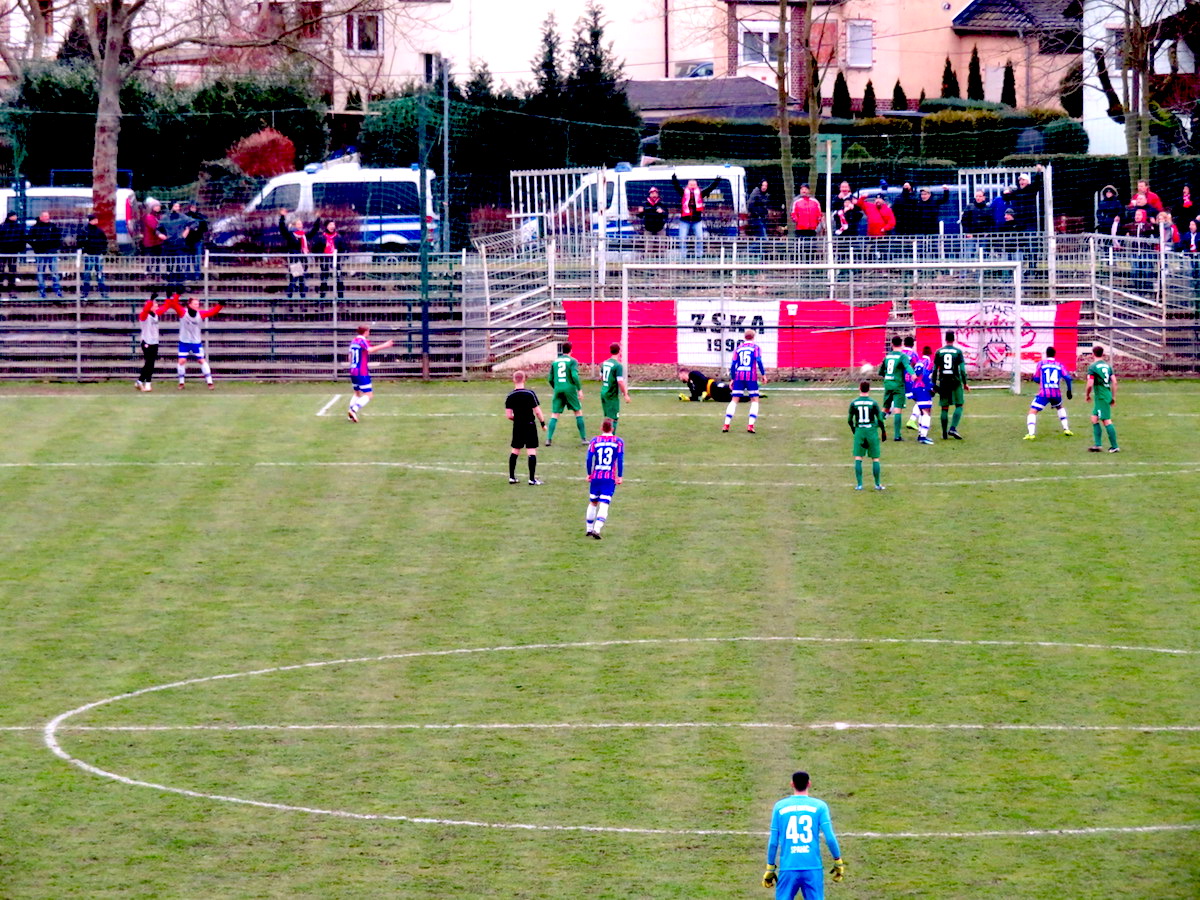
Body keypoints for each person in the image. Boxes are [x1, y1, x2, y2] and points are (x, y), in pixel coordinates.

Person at [763, 771, 845, 899]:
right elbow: (830, 838)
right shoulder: (820, 806)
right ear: (809, 784)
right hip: (812, 868)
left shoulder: (779, 807)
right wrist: (838, 861)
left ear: (792, 784)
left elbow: (773, 842)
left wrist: (770, 868)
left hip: (788, 867)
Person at [584, 418, 624, 539]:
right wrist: (620, 476)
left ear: (601, 428)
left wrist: (589, 473)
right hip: (609, 477)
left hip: (596, 476)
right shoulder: (618, 442)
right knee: (604, 504)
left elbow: (589, 459)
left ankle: (589, 529)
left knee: (593, 502)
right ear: (612, 428)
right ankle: (597, 529)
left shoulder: (595, 441)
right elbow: (620, 460)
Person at [504, 370, 547, 485]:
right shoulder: (530, 394)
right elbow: (537, 411)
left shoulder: (510, 396)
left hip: (517, 426)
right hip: (529, 425)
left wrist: (517, 419)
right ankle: (531, 479)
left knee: (515, 450)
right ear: (524, 379)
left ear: (513, 380)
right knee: (531, 451)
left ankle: (512, 477)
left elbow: (508, 415)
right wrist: (543, 423)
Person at [173, 295, 223, 390]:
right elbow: (175, 305)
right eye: (195, 304)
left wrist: (220, 305)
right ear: (189, 304)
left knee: (201, 360)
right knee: (181, 361)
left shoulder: (200, 314)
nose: (197, 305)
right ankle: (181, 383)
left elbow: (212, 312)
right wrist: (177, 295)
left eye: (198, 304)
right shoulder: (183, 313)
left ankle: (210, 382)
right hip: (184, 342)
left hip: (196, 342)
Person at [346, 324, 393, 422]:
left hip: (353, 370)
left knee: (357, 393)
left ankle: (350, 414)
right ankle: (353, 410)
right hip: (361, 371)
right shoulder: (362, 341)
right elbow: (370, 350)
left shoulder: (353, 341)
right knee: (369, 395)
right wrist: (385, 345)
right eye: (368, 331)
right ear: (366, 332)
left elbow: (350, 356)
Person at [1024, 346, 1073, 440]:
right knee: (1060, 407)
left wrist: (1039, 381)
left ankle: (1031, 434)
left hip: (1044, 393)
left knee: (1032, 411)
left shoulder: (1041, 364)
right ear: (1055, 354)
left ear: (1046, 354)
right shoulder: (1059, 365)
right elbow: (1068, 378)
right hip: (1056, 392)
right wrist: (1069, 391)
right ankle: (1066, 429)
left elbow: (1037, 378)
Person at [723, 328, 765, 433]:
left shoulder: (738, 348)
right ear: (754, 337)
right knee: (755, 400)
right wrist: (763, 374)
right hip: (751, 376)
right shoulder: (756, 347)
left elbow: (733, 364)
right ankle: (750, 425)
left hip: (739, 375)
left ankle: (726, 424)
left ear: (744, 337)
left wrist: (733, 378)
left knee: (734, 400)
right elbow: (758, 360)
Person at [847, 380, 886, 491]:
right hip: (871, 431)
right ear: (869, 389)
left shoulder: (854, 403)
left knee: (858, 458)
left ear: (859, 388)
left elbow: (849, 420)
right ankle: (877, 484)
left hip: (860, 430)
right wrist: (883, 431)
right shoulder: (873, 403)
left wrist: (854, 430)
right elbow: (880, 419)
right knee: (875, 459)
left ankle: (859, 485)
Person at [671, 172, 722, 258]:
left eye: (694, 184)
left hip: (696, 220)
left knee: (699, 238)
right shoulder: (683, 193)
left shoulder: (700, 193)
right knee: (682, 239)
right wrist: (674, 178)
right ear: (687, 185)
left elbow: (710, 188)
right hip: (685, 220)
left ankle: (699, 255)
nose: (692, 186)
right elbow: (677, 187)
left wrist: (716, 181)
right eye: (690, 184)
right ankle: (683, 256)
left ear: (697, 185)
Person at [546, 341, 586, 446]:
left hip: (558, 389)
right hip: (570, 389)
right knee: (578, 412)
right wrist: (579, 389)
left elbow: (550, 378)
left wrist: (556, 387)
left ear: (561, 350)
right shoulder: (572, 361)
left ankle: (548, 439)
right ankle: (584, 438)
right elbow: (575, 376)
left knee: (555, 414)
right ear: (571, 350)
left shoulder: (555, 362)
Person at [932, 330, 969, 439]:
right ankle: (952, 428)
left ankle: (944, 433)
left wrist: (934, 384)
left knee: (944, 408)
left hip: (944, 382)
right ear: (954, 339)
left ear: (945, 339)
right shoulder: (958, 352)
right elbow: (962, 370)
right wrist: (965, 383)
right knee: (959, 404)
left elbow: (934, 370)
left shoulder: (939, 352)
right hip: (955, 381)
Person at [879, 334, 917, 441]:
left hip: (888, 384)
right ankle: (897, 436)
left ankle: (873, 425)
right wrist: (913, 374)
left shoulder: (887, 356)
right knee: (897, 409)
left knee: (886, 408)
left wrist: (888, 376)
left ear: (891, 345)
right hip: (898, 385)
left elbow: (881, 372)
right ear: (901, 344)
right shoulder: (902, 356)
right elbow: (907, 366)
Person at [135, 292, 173, 392]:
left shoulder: (156, 314)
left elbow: (166, 307)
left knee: (151, 364)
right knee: (148, 363)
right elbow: (145, 309)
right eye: (155, 304)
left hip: (154, 342)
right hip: (146, 342)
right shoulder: (144, 316)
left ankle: (147, 384)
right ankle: (140, 381)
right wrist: (150, 300)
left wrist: (168, 297)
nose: (157, 305)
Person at [1085, 345, 1119, 453]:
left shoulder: (1093, 367)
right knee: (1094, 418)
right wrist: (1113, 397)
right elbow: (1115, 382)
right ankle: (1098, 445)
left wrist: (1087, 395)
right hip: (1106, 395)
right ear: (1102, 354)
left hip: (1101, 397)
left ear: (1093, 354)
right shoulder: (1108, 366)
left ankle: (1115, 446)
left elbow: (1090, 384)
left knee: (1106, 420)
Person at [158, 201, 194, 291]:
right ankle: (169, 286)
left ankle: (179, 286)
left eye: (178, 206)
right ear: (171, 207)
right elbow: (158, 228)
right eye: (176, 206)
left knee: (179, 265)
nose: (178, 208)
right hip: (168, 244)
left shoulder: (183, 217)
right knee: (169, 265)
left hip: (179, 244)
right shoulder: (165, 218)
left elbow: (193, 223)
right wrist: (160, 235)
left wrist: (187, 231)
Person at [28, 210, 63, 299]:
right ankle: (42, 291)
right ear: (41, 217)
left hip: (52, 253)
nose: (47, 217)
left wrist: (54, 248)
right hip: (40, 253)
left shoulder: (53, 226)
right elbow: (30, 239)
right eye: (45, 216)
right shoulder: (35, 228)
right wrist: (37, 247)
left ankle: (57, 290)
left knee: (54, 272)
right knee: (41, 272)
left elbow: (58, 238)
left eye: (48, 216)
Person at [599, 342, 631, 432]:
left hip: (604, 392)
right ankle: (610, 439)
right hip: (611, 394)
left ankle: (605, 436)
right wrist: (625, 394)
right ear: (619, 351)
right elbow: (620, 381)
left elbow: (601, 377)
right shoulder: (618, 365)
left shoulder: (605, 363)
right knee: (614, 418)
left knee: (607, 417)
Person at [907, 345, 936, 444]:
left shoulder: (919, 361)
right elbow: (926, 376)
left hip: (915, 388)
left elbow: (915, 374)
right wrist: (931, 387)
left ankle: (920, 434)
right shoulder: (929, 363)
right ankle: (923, 437)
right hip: (922, 388)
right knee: (926, 412)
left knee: (922, 411)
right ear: (931, 353)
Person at [311, 218, 347, 299]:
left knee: (339, 279)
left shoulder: (338, 237)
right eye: (330, 225)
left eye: (333, 225)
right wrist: (319, 256)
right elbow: (315, 249)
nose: (332, 226)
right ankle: (322, 297)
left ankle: (340, 297)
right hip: (325, 261)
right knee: (324, 279)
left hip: (336, 261)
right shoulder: (321, 237)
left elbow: (343, 248)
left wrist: (341, 255)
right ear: (326, 226)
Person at [1002, 164, 1044, 232]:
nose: (1021, 182)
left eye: (1023, 180)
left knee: (1030, 238)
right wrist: (1004, 193)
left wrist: (1038, 172)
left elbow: (1037, 183)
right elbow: (1006, 198)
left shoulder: (1031, 189)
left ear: (1028, 181)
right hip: (1019, 220)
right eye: (1020, 180)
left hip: (1030, 219)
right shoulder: (1017, 192)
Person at [279, 212, 310, 299]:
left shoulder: (302, 235)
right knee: (296, 278)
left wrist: (317, 221)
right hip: (295, 259)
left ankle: (299, 296)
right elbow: (282, 229)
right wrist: (282, 217)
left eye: (301, 223)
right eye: (298, 224)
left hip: (302, 259)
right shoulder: (290, 234)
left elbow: (313, 233)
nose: (300, 225)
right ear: (294, 225)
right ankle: (291, 295)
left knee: (300, 278)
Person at [79, 213, 110, 300]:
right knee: (88, 274)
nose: (96, 221)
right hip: (89, 254)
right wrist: (84, 251)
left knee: (98, 274)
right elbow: (80, 242)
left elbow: (104, 242)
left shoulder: (99, 231)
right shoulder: (85, 231)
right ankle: (86, 292)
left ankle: (102, 292)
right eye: (95, 220)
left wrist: (103, 252)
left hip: (97, 254)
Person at [960, 189, 994, 257]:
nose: (978, 198)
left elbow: (991, 222)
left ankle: (984, 267)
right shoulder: (969, 207)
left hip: (983, 234)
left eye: (980, 196)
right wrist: (967, 233)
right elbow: (964, 221)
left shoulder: (988, 209)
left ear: (984, 198)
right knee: (969, 253)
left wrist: (987, 232)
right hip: (971, 234)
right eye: (977, 196)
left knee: (984, 254)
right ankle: (969, 267)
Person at [0, 210, 24, 298]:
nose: (15, 217)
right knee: (2, 270)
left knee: (12, 271)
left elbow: (22, 239)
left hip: (12, 252)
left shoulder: (18, 227)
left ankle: (12, 290)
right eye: (13, 216)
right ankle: (6, 290)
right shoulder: (3, 226)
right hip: (4, 252)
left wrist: (20, 248)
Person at [185, 201, 208, 280]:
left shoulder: (201, 217)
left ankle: (197, 275)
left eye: (195, 207)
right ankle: (187, 275)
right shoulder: (185, 217)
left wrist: (197, 228)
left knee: (197, 259)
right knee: (187, 259)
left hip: (197, 240)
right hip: (187, 241)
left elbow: (205, 228)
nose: (193, 209)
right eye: (192, 207)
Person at [141, 199, 163, 277]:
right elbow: (155, 227)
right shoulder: (149, 217)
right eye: (156, 206)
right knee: (150, 256)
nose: (158, 207)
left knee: (157, 256)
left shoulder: (159, 216)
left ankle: (157, 269)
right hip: (150, 240)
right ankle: (148, 269)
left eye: (159, 206)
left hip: (158, 241)